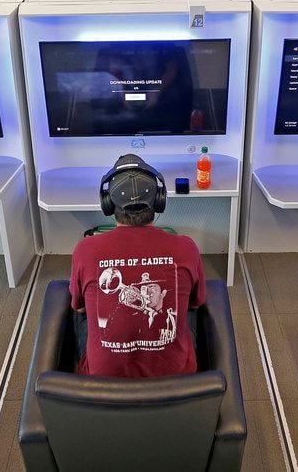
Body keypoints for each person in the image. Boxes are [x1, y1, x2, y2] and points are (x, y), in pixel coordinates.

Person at [70, 155, 205, 378]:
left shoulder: (85, 249)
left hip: (103, 381)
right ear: (159, 200)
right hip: (178, 380)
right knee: (189, 310)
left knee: (81, 311)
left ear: (108, 203)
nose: (143, 291)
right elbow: (196, 302)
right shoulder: (186, 247)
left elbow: (79, 307)